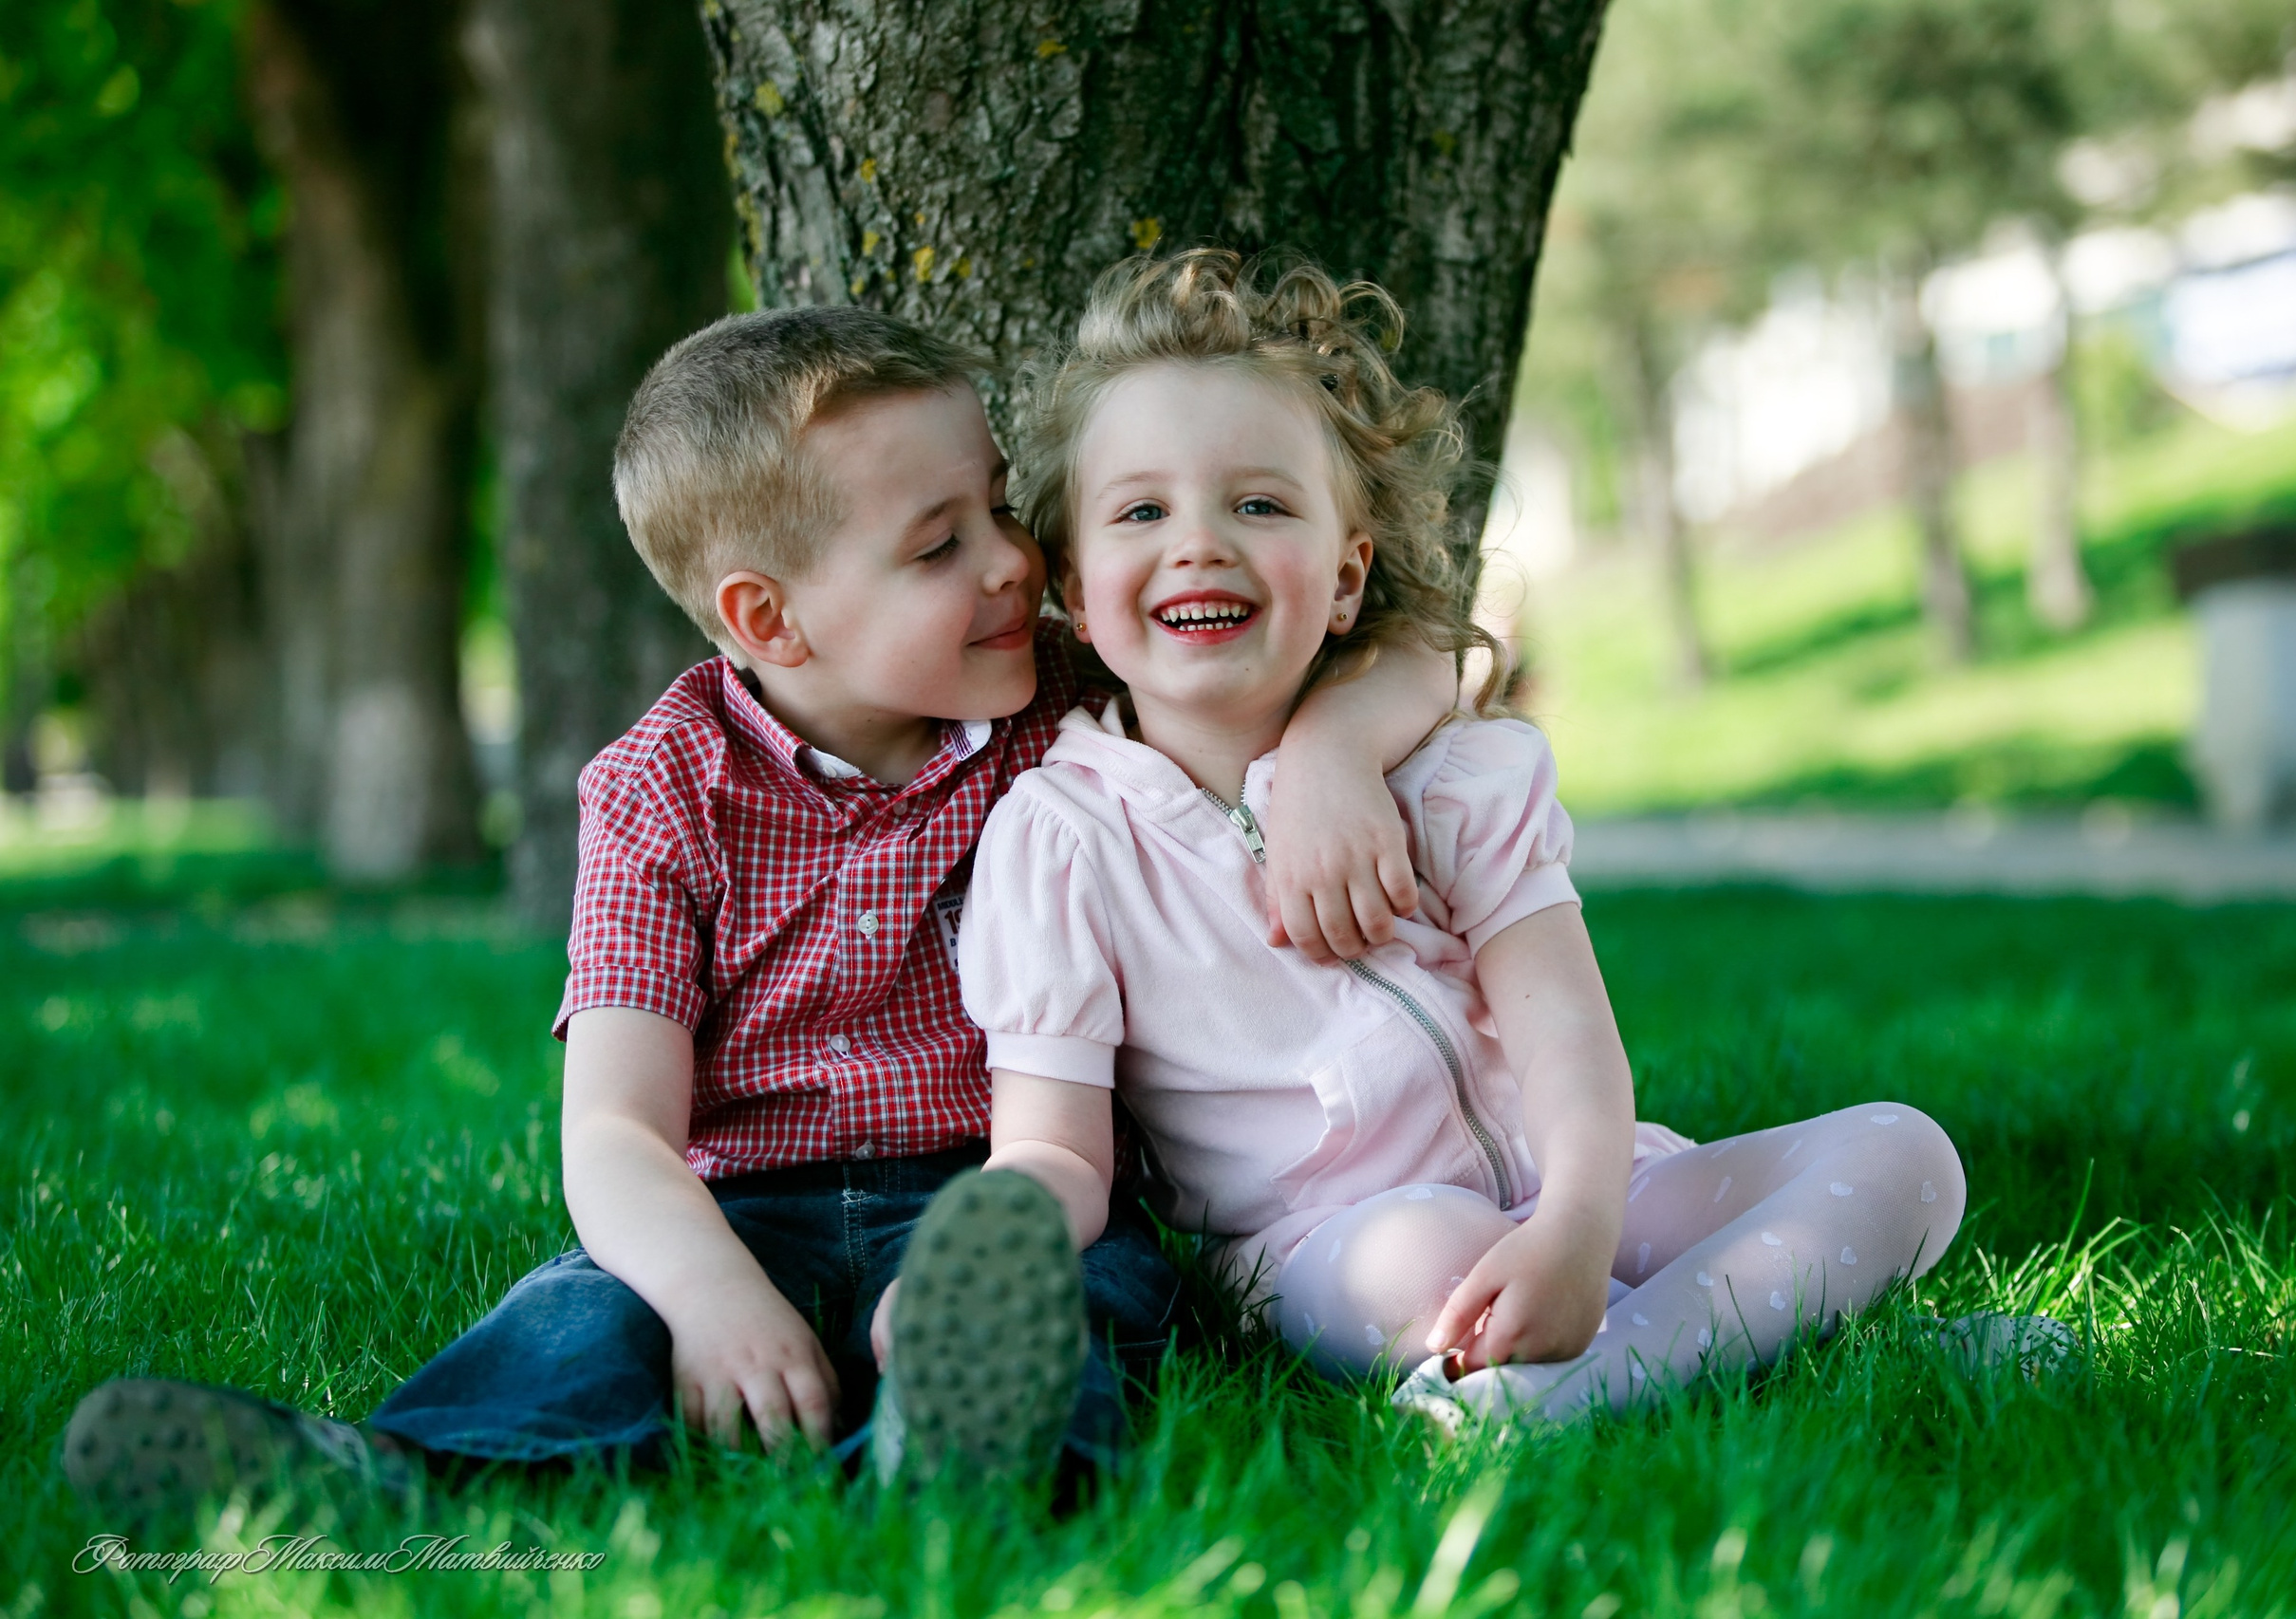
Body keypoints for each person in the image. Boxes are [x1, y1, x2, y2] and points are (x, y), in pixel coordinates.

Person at [61, 305, 1459, 1521]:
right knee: (579, 1320)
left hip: (1009, 1188)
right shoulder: (659, 790)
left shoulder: (1064, 707)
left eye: (996, 508)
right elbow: (613, 1128)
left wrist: (1332, 752)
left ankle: (950, 1461)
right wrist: (709, 1292)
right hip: (736, 1209)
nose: (1013, 564)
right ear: (770, 619)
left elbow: (1407, 647)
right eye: (938, 545)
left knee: (1079, 1296)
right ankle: (392, 1479)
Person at [958, 251, 1972, 1430]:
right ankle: (1763, 1331)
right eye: (1142, 510)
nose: (1199, 543)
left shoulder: (1448, 776)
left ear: (1345, 580)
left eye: (1260, 503)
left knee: (1908, 1151)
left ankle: (1588, 1376)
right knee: (1422, 1244)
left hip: (1590, 1181)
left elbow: (1564, 1033)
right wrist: (993, 1243)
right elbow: (1055, 1142)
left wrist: (1581, 1218)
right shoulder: (1063, 840)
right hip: (1326, 1247)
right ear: (1078, 594)